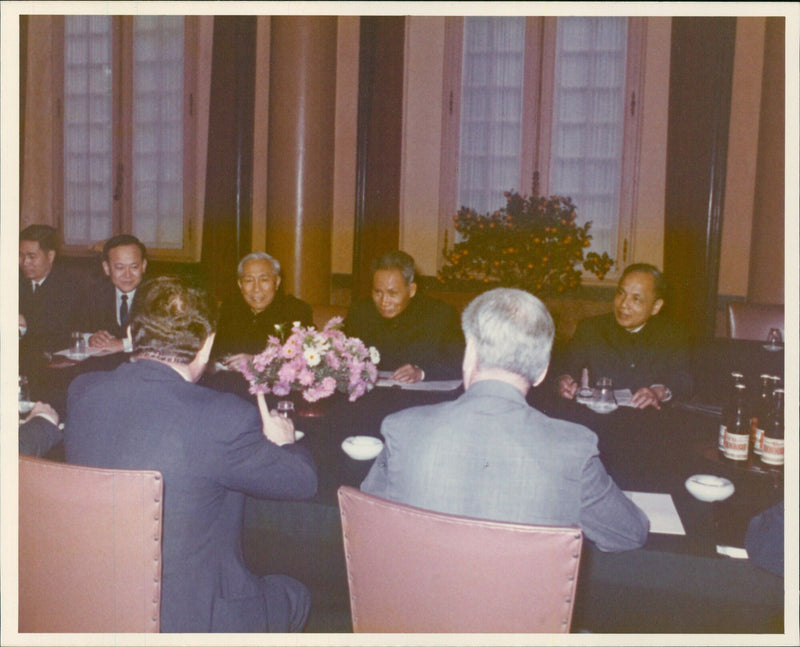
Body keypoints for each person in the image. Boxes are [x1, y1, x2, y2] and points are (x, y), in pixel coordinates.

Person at [64, 275, 318, 633]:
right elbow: (302, 482)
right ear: (207, 345)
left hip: (93, 602)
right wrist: (284, 440)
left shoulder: (83, 391)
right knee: (295, 594)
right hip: (193, 619)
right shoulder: (223, 416)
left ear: (132, 336)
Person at [361, 287, 649, 552]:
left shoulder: (403, 429)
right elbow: (630, 534)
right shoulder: (572, 447)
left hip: (415, 606)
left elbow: (368, 518)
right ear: (542, 372)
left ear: (469, 355)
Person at [556, 263, 691, 409]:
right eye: (621, 293)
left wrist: (657, 392)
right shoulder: (591, 328)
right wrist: (564, 380)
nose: (624, 304)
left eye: (636, 298)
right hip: (599, 419)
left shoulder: (673, 333)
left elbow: (685, 380)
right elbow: (564, 367)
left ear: (656, 307)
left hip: (647, 420)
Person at [345, 250, 464, 383]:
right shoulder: (360, 311)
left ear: (411, 290)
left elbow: (460, 363)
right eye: (377, 292)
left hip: (419, 397)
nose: (384, 301)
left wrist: (421, 373)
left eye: (393, 293)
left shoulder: (440, 315)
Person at [213, 252, 313, 369]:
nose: (256, 289)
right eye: (249, 280)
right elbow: (212, 351)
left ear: (277, 282)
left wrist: (255, 361)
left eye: (264, 280)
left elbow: (301, 361)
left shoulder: (296, 310)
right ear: (240, 284)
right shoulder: (229, 308)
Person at [19, 224, 83, 365]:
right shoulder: (14, 281)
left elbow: (57, 330)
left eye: (32, 256)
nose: (25, 262)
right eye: (21, 255)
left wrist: (24, 323)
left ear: (50, 256)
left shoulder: (71, 285)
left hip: (54, 361)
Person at [83, 234, 148, 353]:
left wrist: (124, 344)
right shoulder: (95, 293)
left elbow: (167, 340)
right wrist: (91, 338)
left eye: (134, 267)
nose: (127, 275)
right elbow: (73, 330)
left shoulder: (157, 296)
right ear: (106, 268)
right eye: (119, 267)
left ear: (143, 266)